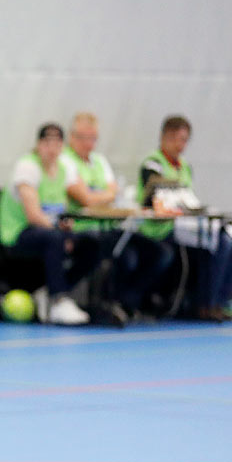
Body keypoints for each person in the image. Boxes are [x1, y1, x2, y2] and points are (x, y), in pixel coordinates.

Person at [139, 115, 232, 322]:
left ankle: (218, 302)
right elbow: (155, 199)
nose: (179, 144)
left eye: (183, 139)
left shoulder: (186, 167)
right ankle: (203, 306)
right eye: (174, 138)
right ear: (164, 137)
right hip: (161, 229)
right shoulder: (153, 164)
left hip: (187, 225)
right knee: (220, 243)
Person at [62, 112, 165, 326]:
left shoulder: (99, 161)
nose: (88, 144)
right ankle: (105, 305)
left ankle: (127, 303)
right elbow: (86, 199)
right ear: (72, 137)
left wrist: (99, 196)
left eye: (93, 138)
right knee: (125, 256)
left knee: (159, 253)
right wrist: (103, 196)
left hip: (109, 226)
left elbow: (113, 193)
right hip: (83, 229)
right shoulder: (65, 161)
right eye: (83, 138)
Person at [0, 123, 100, 325]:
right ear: (38, 145)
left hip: (50, 232)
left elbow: (61, 210)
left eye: (56, 143)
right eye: (47, 143)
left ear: (62, 146)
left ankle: (49, 292)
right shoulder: (28, 167)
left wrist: (67, 228)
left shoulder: (63, 168)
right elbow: (34, 215)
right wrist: (62, 235)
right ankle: (58, 300)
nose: (52, 148)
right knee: (55, 239)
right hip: (18, 233)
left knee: (92, 243)